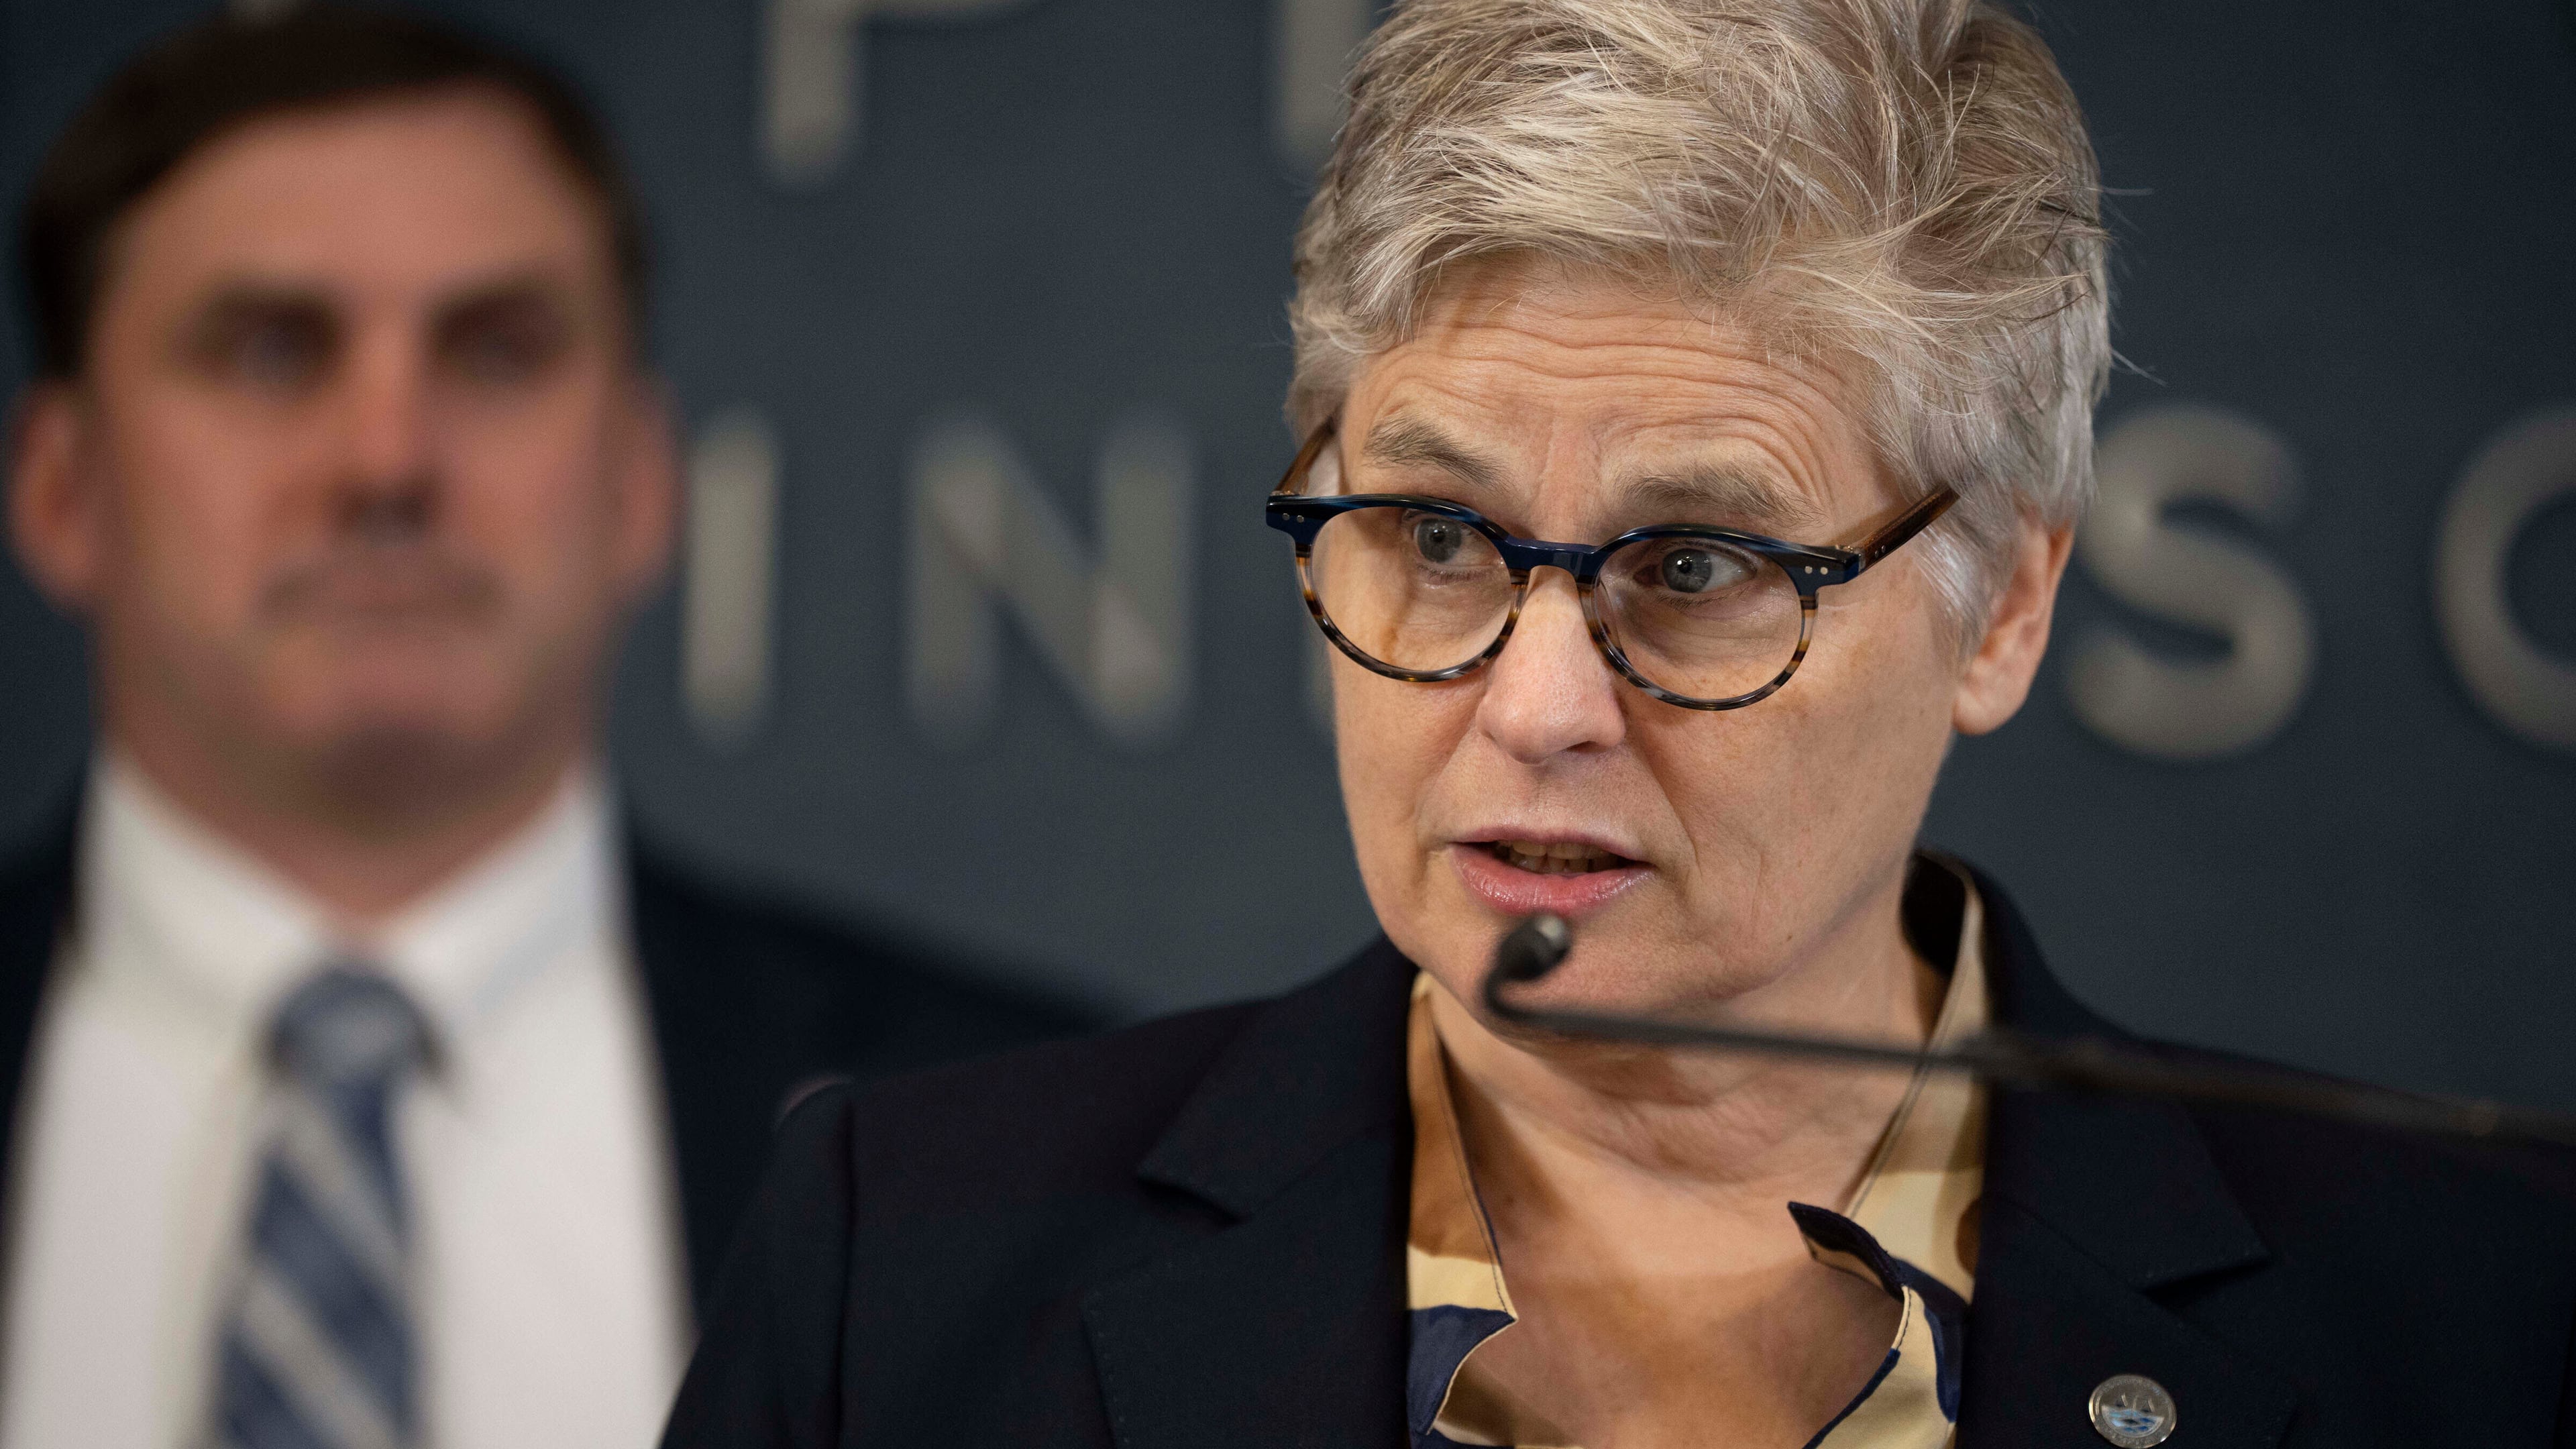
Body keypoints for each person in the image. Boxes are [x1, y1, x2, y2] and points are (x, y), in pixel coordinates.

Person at [665, 0, 2576, 1445]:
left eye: (1695, 564)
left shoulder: (2481, 1313)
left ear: (2002, 604)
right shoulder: (899, 1273)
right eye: (1437, 537)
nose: (1536, 706)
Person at [0, 10, 1079, 1448]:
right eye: (269, 353)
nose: (387, 458)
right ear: (62, 487)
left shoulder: (1038, 1151)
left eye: (498, 353)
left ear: (641, 479)